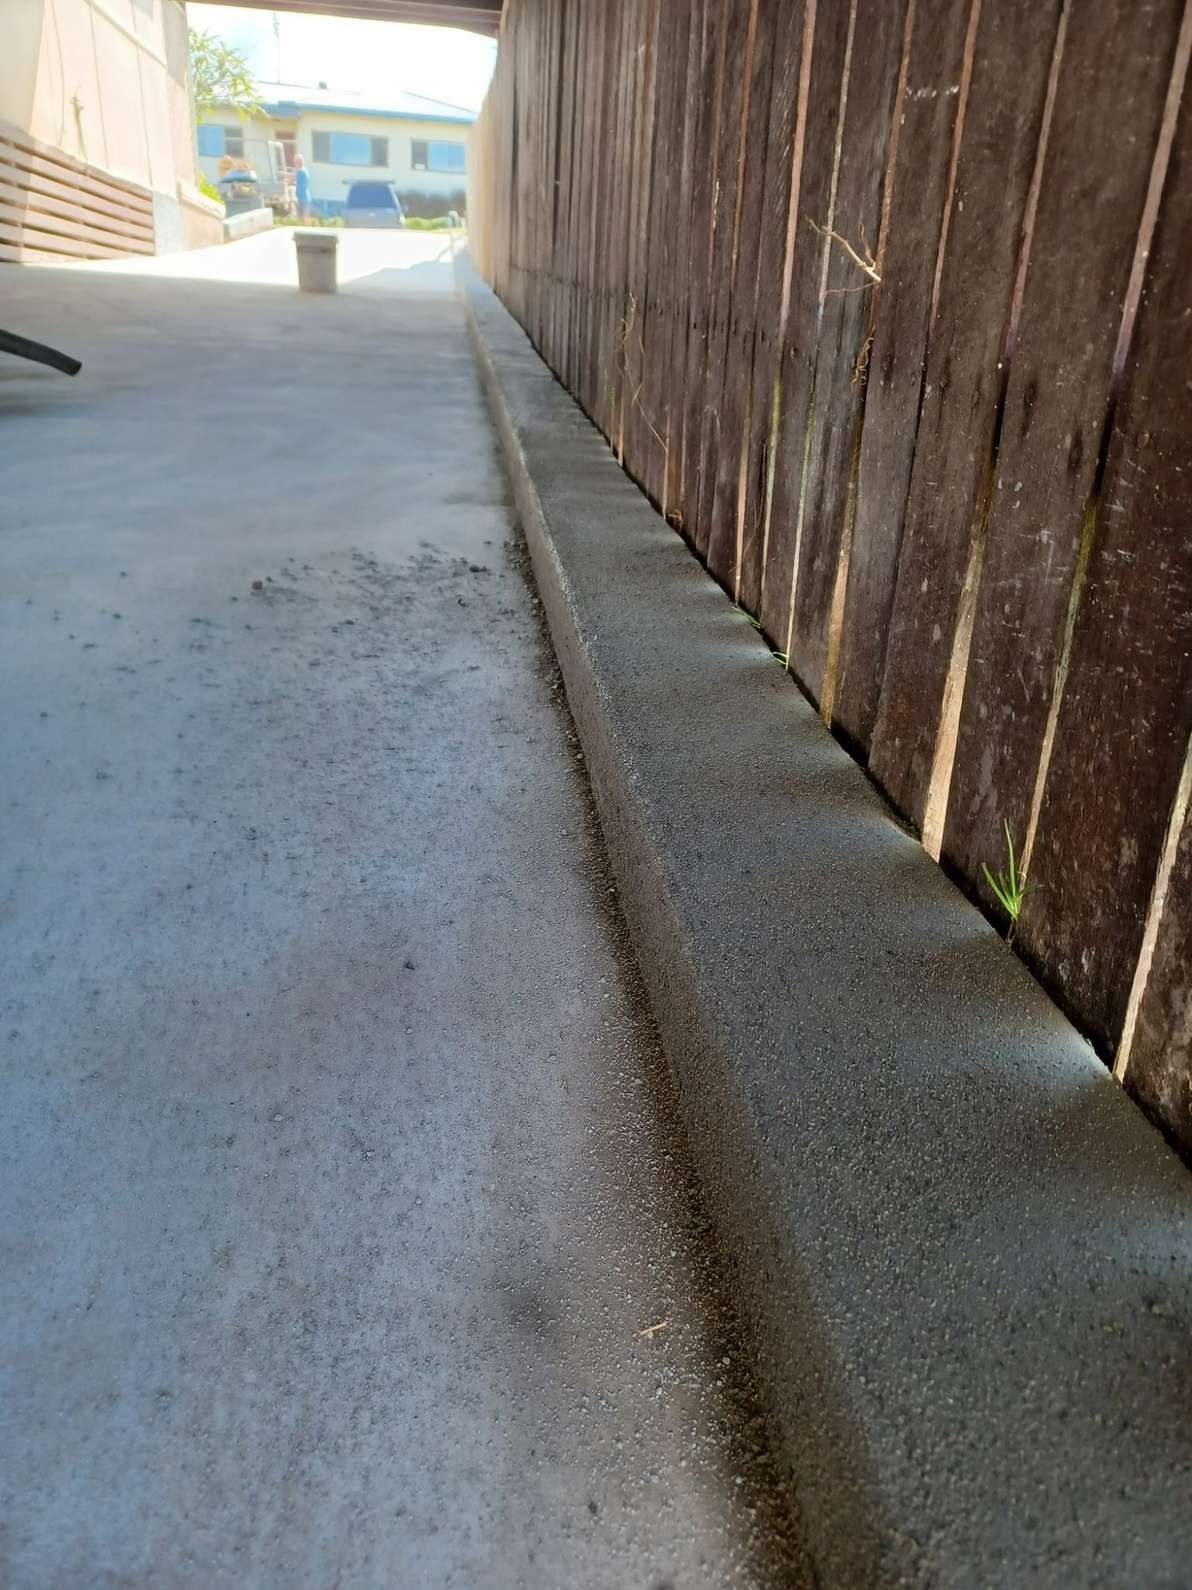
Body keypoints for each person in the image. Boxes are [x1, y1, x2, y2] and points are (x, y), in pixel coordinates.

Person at [294, 155, 312, 221]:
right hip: (302, 198)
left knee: (304, 218)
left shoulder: (301, 171)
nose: (294, 163)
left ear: (299, 162)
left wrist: (282, 175)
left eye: (296, 161)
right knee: (302, 218)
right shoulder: (304, 170)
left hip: (303, 198)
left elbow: (293, 177)